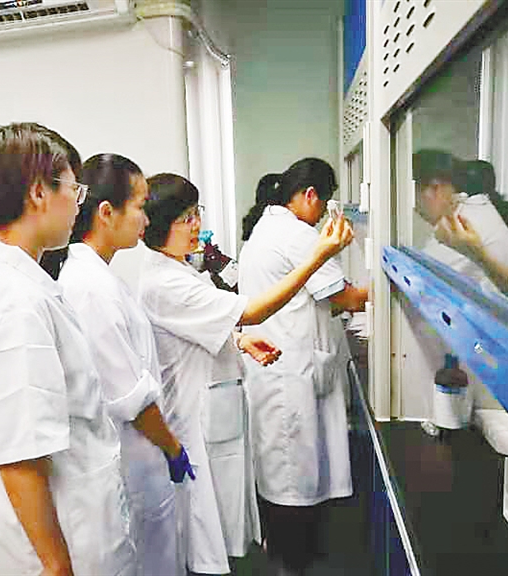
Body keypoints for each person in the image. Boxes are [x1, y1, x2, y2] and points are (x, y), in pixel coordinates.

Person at [139, 173, 353, 575]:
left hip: (218, 411)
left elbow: (201, 323)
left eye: (196, 213)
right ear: (158, 224)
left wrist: (238, 340)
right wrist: (317, 259)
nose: (196, 225)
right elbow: (251, 310)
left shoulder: (180, 270)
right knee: (207, 535)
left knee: (227, 525)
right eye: (185, 218)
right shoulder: (163, 282)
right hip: (196, 421)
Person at [0, 123, 134, 576]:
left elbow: (8, 416)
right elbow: (20, 453)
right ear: (38, 192)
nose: (78, 202)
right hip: (50, 550)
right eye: (73, 188)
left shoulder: (12, 279)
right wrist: (56, 566)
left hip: (70, 520)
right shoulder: (15, 299)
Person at [57, 153, 192, 576]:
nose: (146, 220)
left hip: (139, 459)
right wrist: (173, 447)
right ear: (105, 213)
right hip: (131, 461)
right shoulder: (89, 288)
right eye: (139, 206)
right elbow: (130, 399)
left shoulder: (101, 278)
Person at [239, 158, 368, 576]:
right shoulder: (297, 234)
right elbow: (343, 297)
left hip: (275, 369)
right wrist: (383, 288)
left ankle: (286, 557)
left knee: (285, 473)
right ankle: (293, 564)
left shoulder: (267, 227)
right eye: (324, 204)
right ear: (311, 195)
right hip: (289, 373)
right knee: (295, 478)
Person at [413, 150, 508, 295]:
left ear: (435, 188)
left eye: (414, 196)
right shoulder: (473, 206)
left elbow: (419, 284)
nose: (415, 208)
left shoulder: (464, 221)